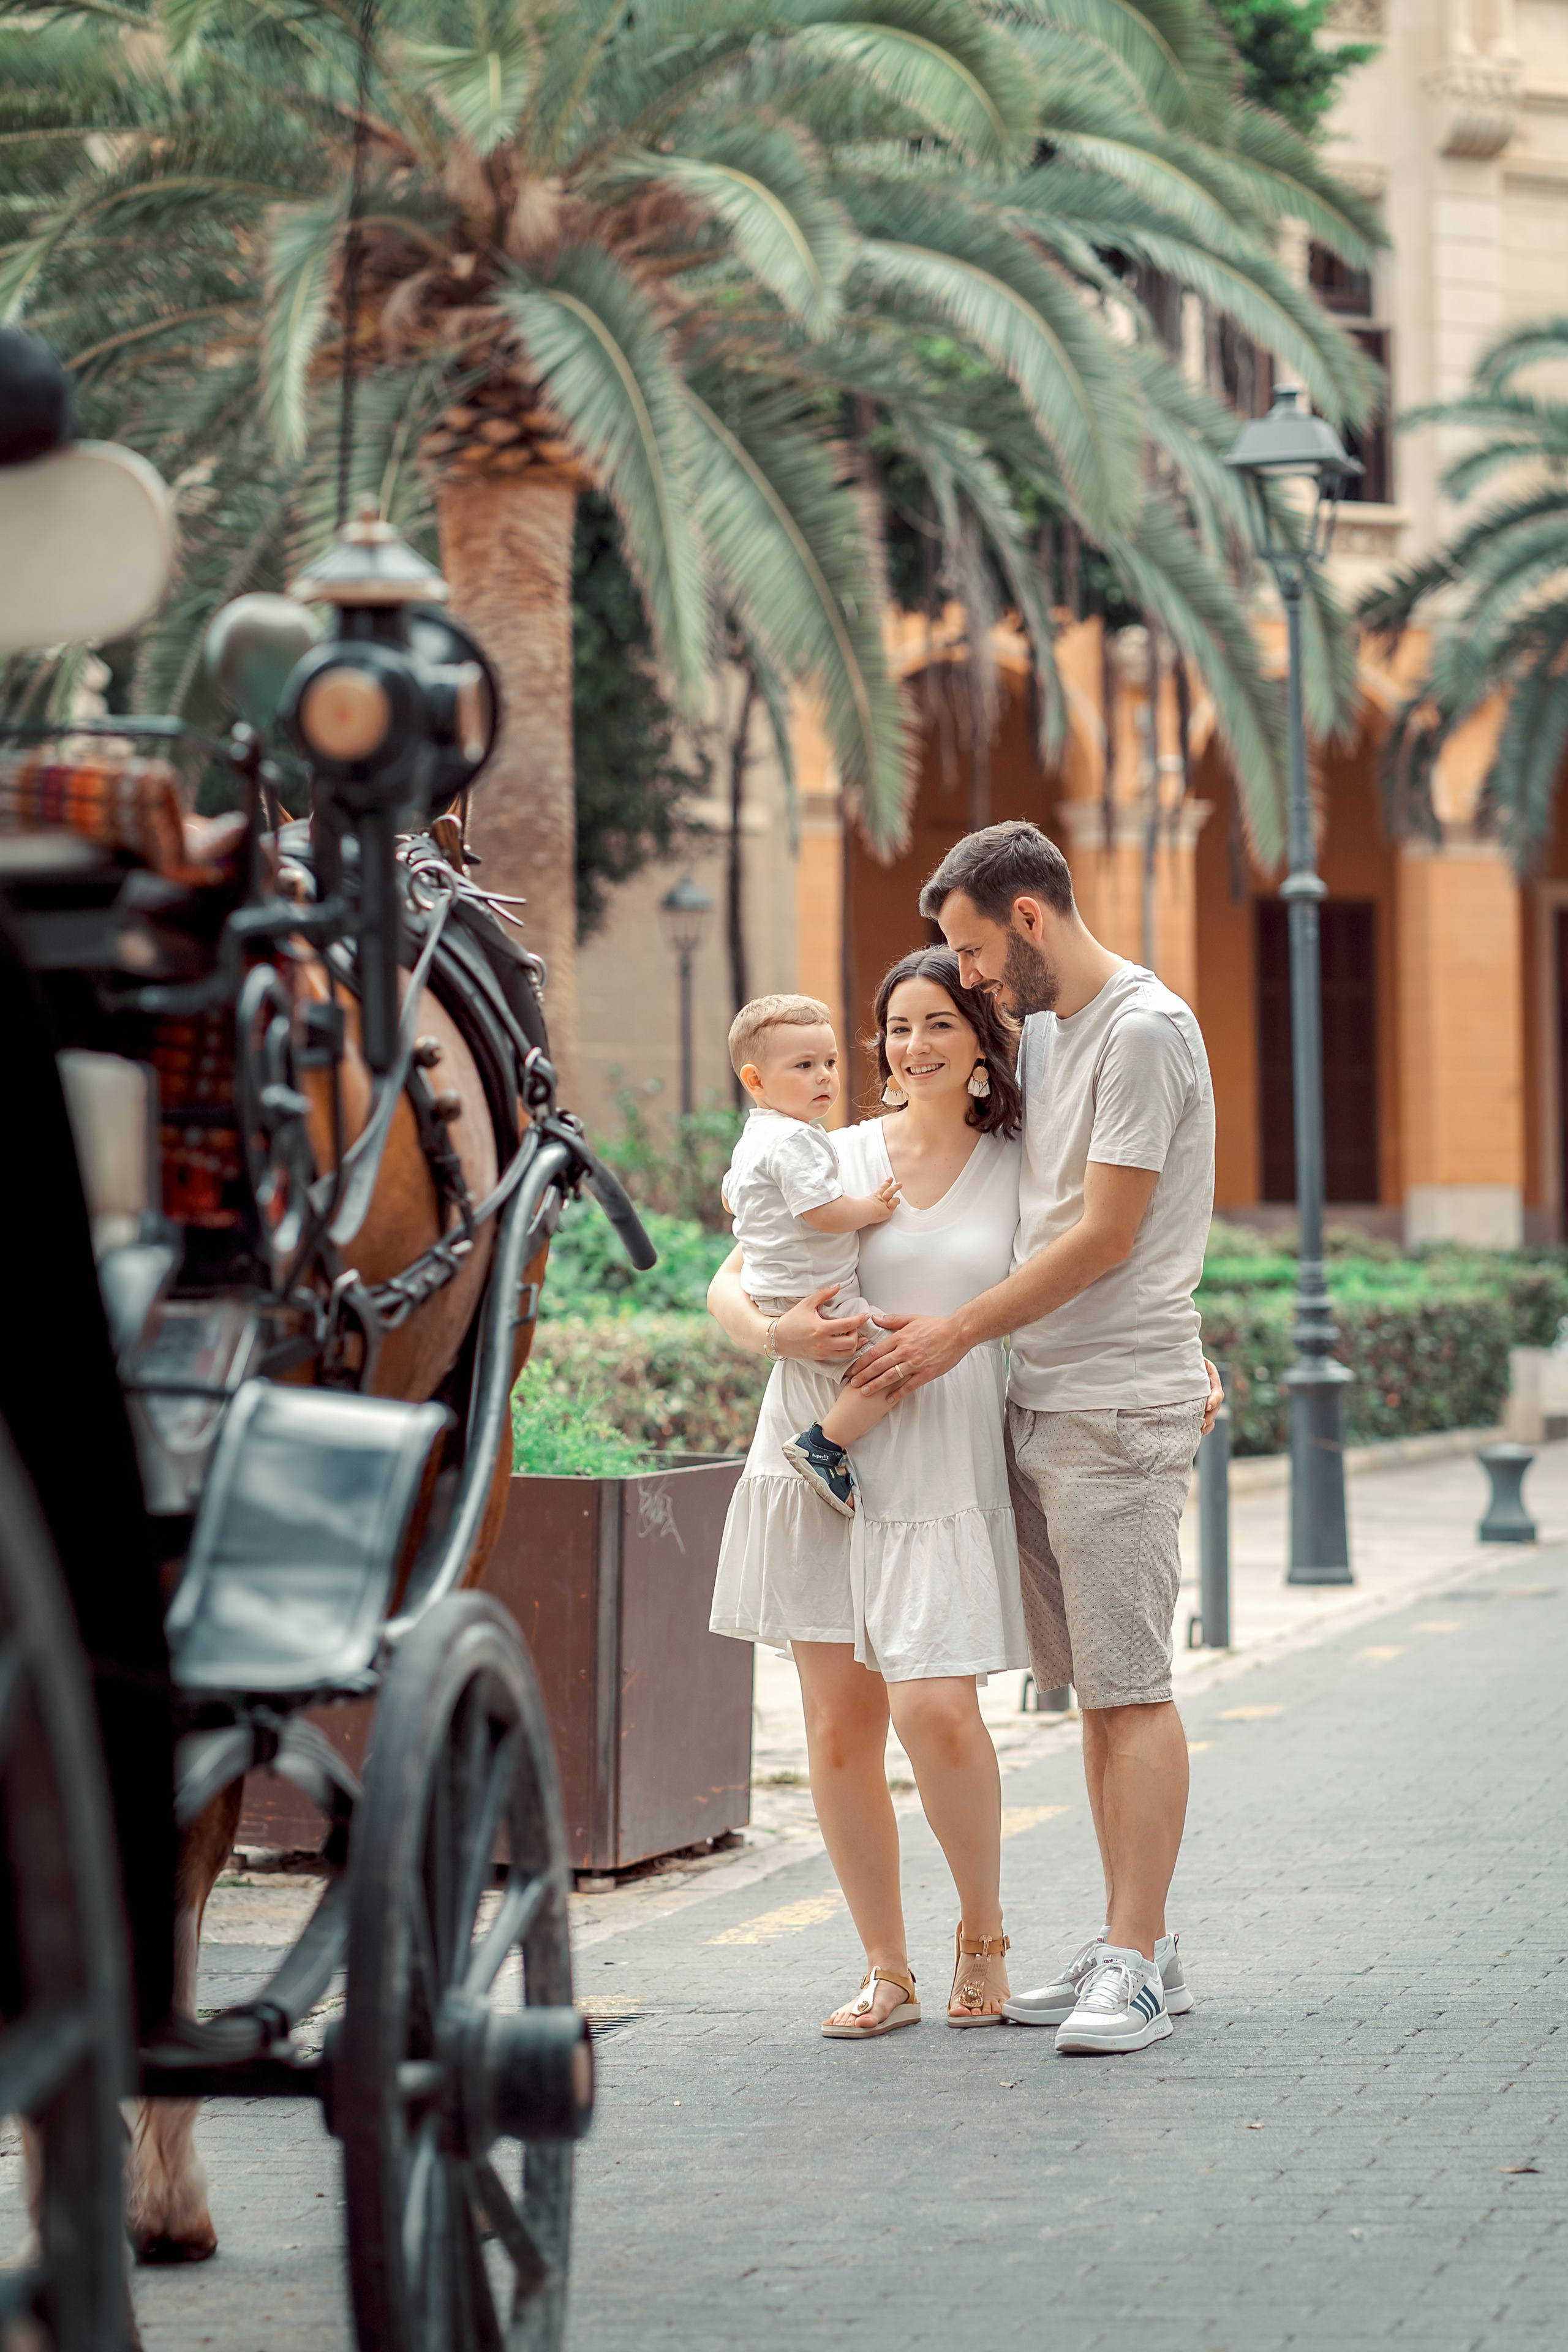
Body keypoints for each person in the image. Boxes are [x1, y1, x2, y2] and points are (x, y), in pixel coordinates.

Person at [853, 820, 1221, 2056]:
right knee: (1093, 1698)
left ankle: (1133, 1959)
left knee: (1130, 1688)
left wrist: (955, 1334)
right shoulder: (1054, 1028)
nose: (958, 978)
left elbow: (1108, 1235)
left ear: (1026, 920)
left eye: (966, 950)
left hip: (1114, 1404)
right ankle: (1139, 1942)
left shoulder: (1144, 1030)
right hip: (1056, 1397)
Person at [707, 950, 1028, 2033]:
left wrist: (1191, 1361)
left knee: (935, 1706)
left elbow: (1101, 1275)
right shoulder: (826, 1150)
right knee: (838, 1728)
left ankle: (981, 1938)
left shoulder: (1021, 1162)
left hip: (939, 1447)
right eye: (896, 1027)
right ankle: (884, 1968)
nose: (915, 1046)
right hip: (816, 1443)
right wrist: (773, 1329)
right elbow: (731, 1275)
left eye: (939, 1024)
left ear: (983, 1041)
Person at [720, 993, 903, 1517]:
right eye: (804, 1066)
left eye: (829, 1062)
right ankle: (824, 1446)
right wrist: (871, 1208)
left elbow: (732, 1195)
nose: (824, 1077)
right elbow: (822, 1213)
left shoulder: (755, 1137)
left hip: (774, 1292)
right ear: (755, 1081)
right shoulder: (797, 1141)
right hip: (818, 1297)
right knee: (890, 1366)